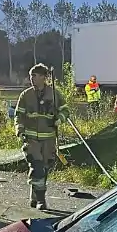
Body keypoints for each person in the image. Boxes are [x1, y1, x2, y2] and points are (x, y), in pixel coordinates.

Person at [15, 63, 69, 210]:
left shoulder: (54, 94)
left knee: (44, 168)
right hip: (31, 138)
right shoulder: (26, 95)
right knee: (37, 166)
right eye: (31, 75)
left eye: (35, 75)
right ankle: (41, 201)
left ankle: (34, 195)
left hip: (49, 138)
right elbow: (19, 115)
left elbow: (65, 110)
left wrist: (59, 119)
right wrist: (20, 130)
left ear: (44, 77)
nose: (32, 78)